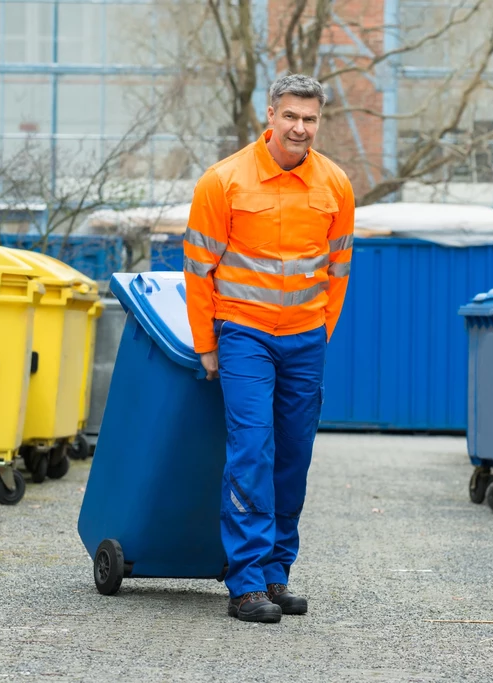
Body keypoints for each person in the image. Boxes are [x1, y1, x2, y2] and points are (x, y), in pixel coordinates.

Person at [183, 73, 355, 623]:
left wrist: (320, 330)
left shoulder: (335, 185)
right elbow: (198, 269)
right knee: (252, 449)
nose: (300, 127)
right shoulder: (224, 181)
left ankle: (278, 575)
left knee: (293, 457)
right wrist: (207, 342)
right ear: (271, 115)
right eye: (291, 116)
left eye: (310, 118)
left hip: (305, 339)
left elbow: (339, 268)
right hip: (244, 336)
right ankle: (246, 583)